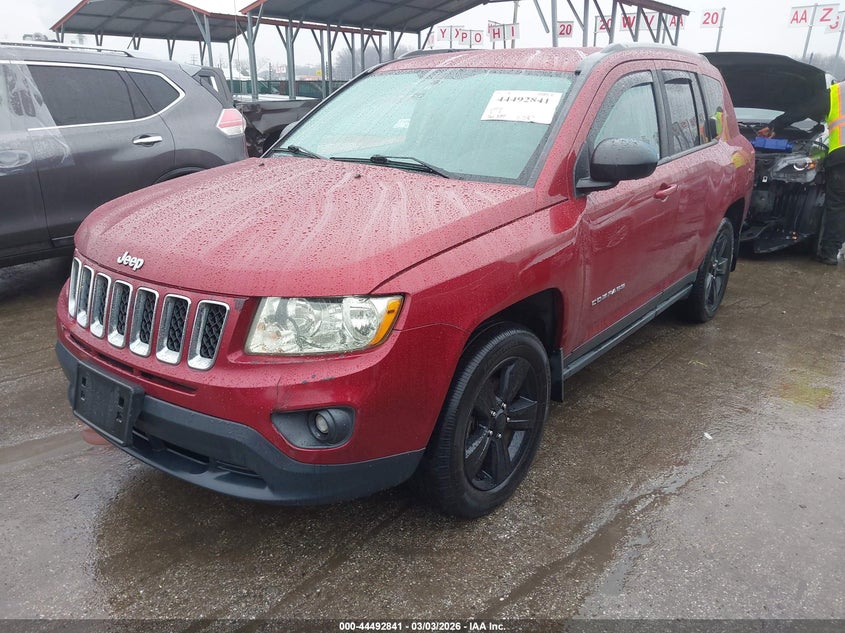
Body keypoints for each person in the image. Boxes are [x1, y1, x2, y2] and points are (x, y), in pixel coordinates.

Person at [820, 80, 845, 265]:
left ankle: (829, 253)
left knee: (837, 206)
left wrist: (776, 125)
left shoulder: (837, 91)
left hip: (841, 159)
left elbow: (805, 109)